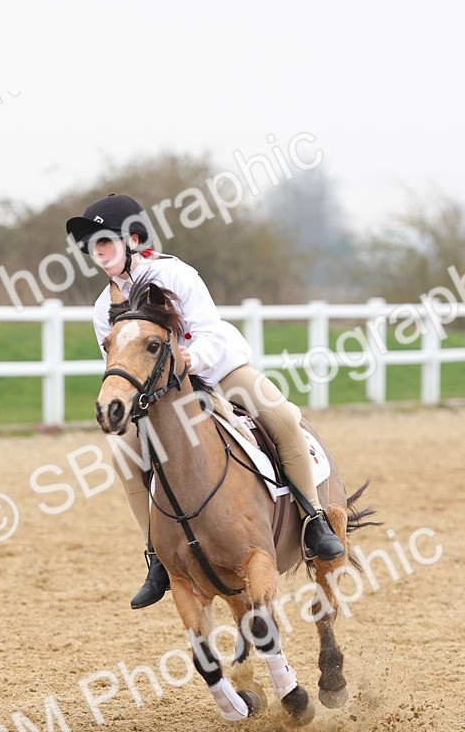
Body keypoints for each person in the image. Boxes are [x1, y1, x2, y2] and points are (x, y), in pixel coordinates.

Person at [66, 193, 344, 609]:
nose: (97, 251)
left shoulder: (175, 275)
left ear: (133, 238)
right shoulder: (104, 307)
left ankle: (314, 521)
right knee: (124, 456)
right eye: (92, 245)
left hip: (218, 370)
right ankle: (157, 558)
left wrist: (191, 359)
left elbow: (210, 332)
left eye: (105, 240)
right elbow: (120, 361)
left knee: (283, 417)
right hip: (163, 395)